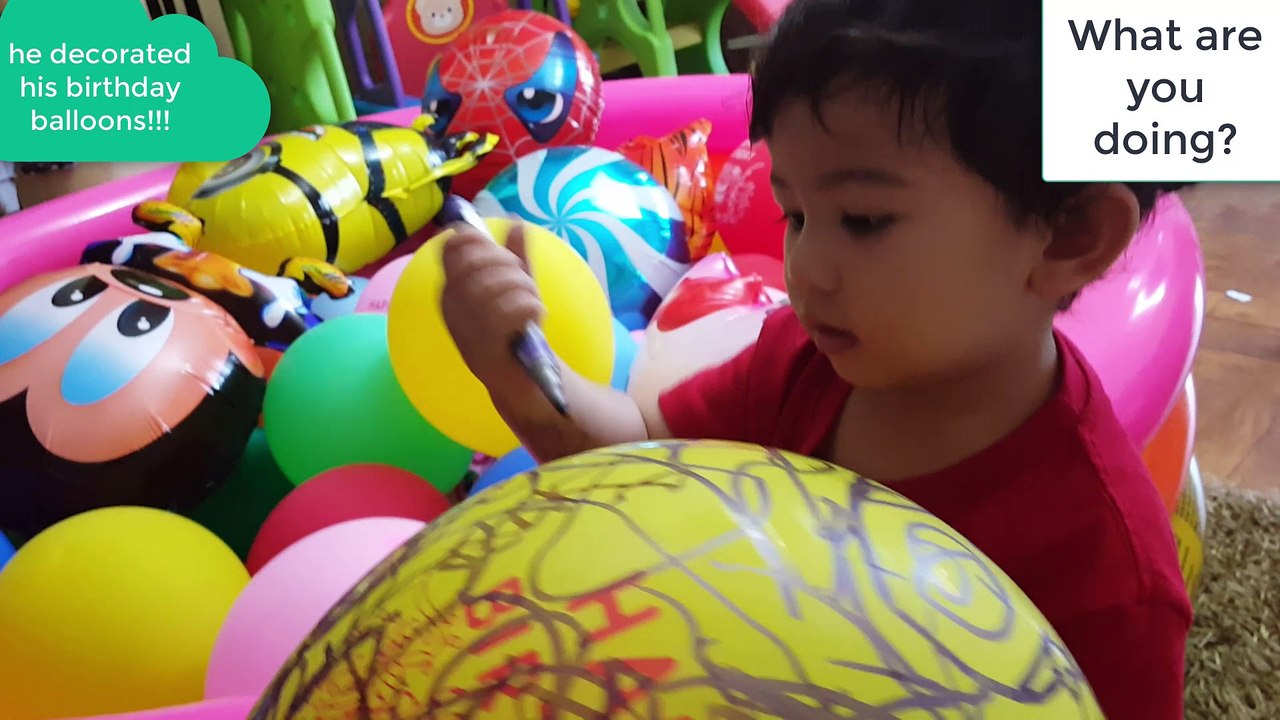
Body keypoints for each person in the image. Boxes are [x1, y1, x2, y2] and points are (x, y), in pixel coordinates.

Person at [439, 0, 1193, 716]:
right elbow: (643, 459)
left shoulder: (1108, 576)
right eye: (795, 214)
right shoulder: (802, 366)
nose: (805, 269)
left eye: (863, 220)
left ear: (1070, 237)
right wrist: (531, 386)